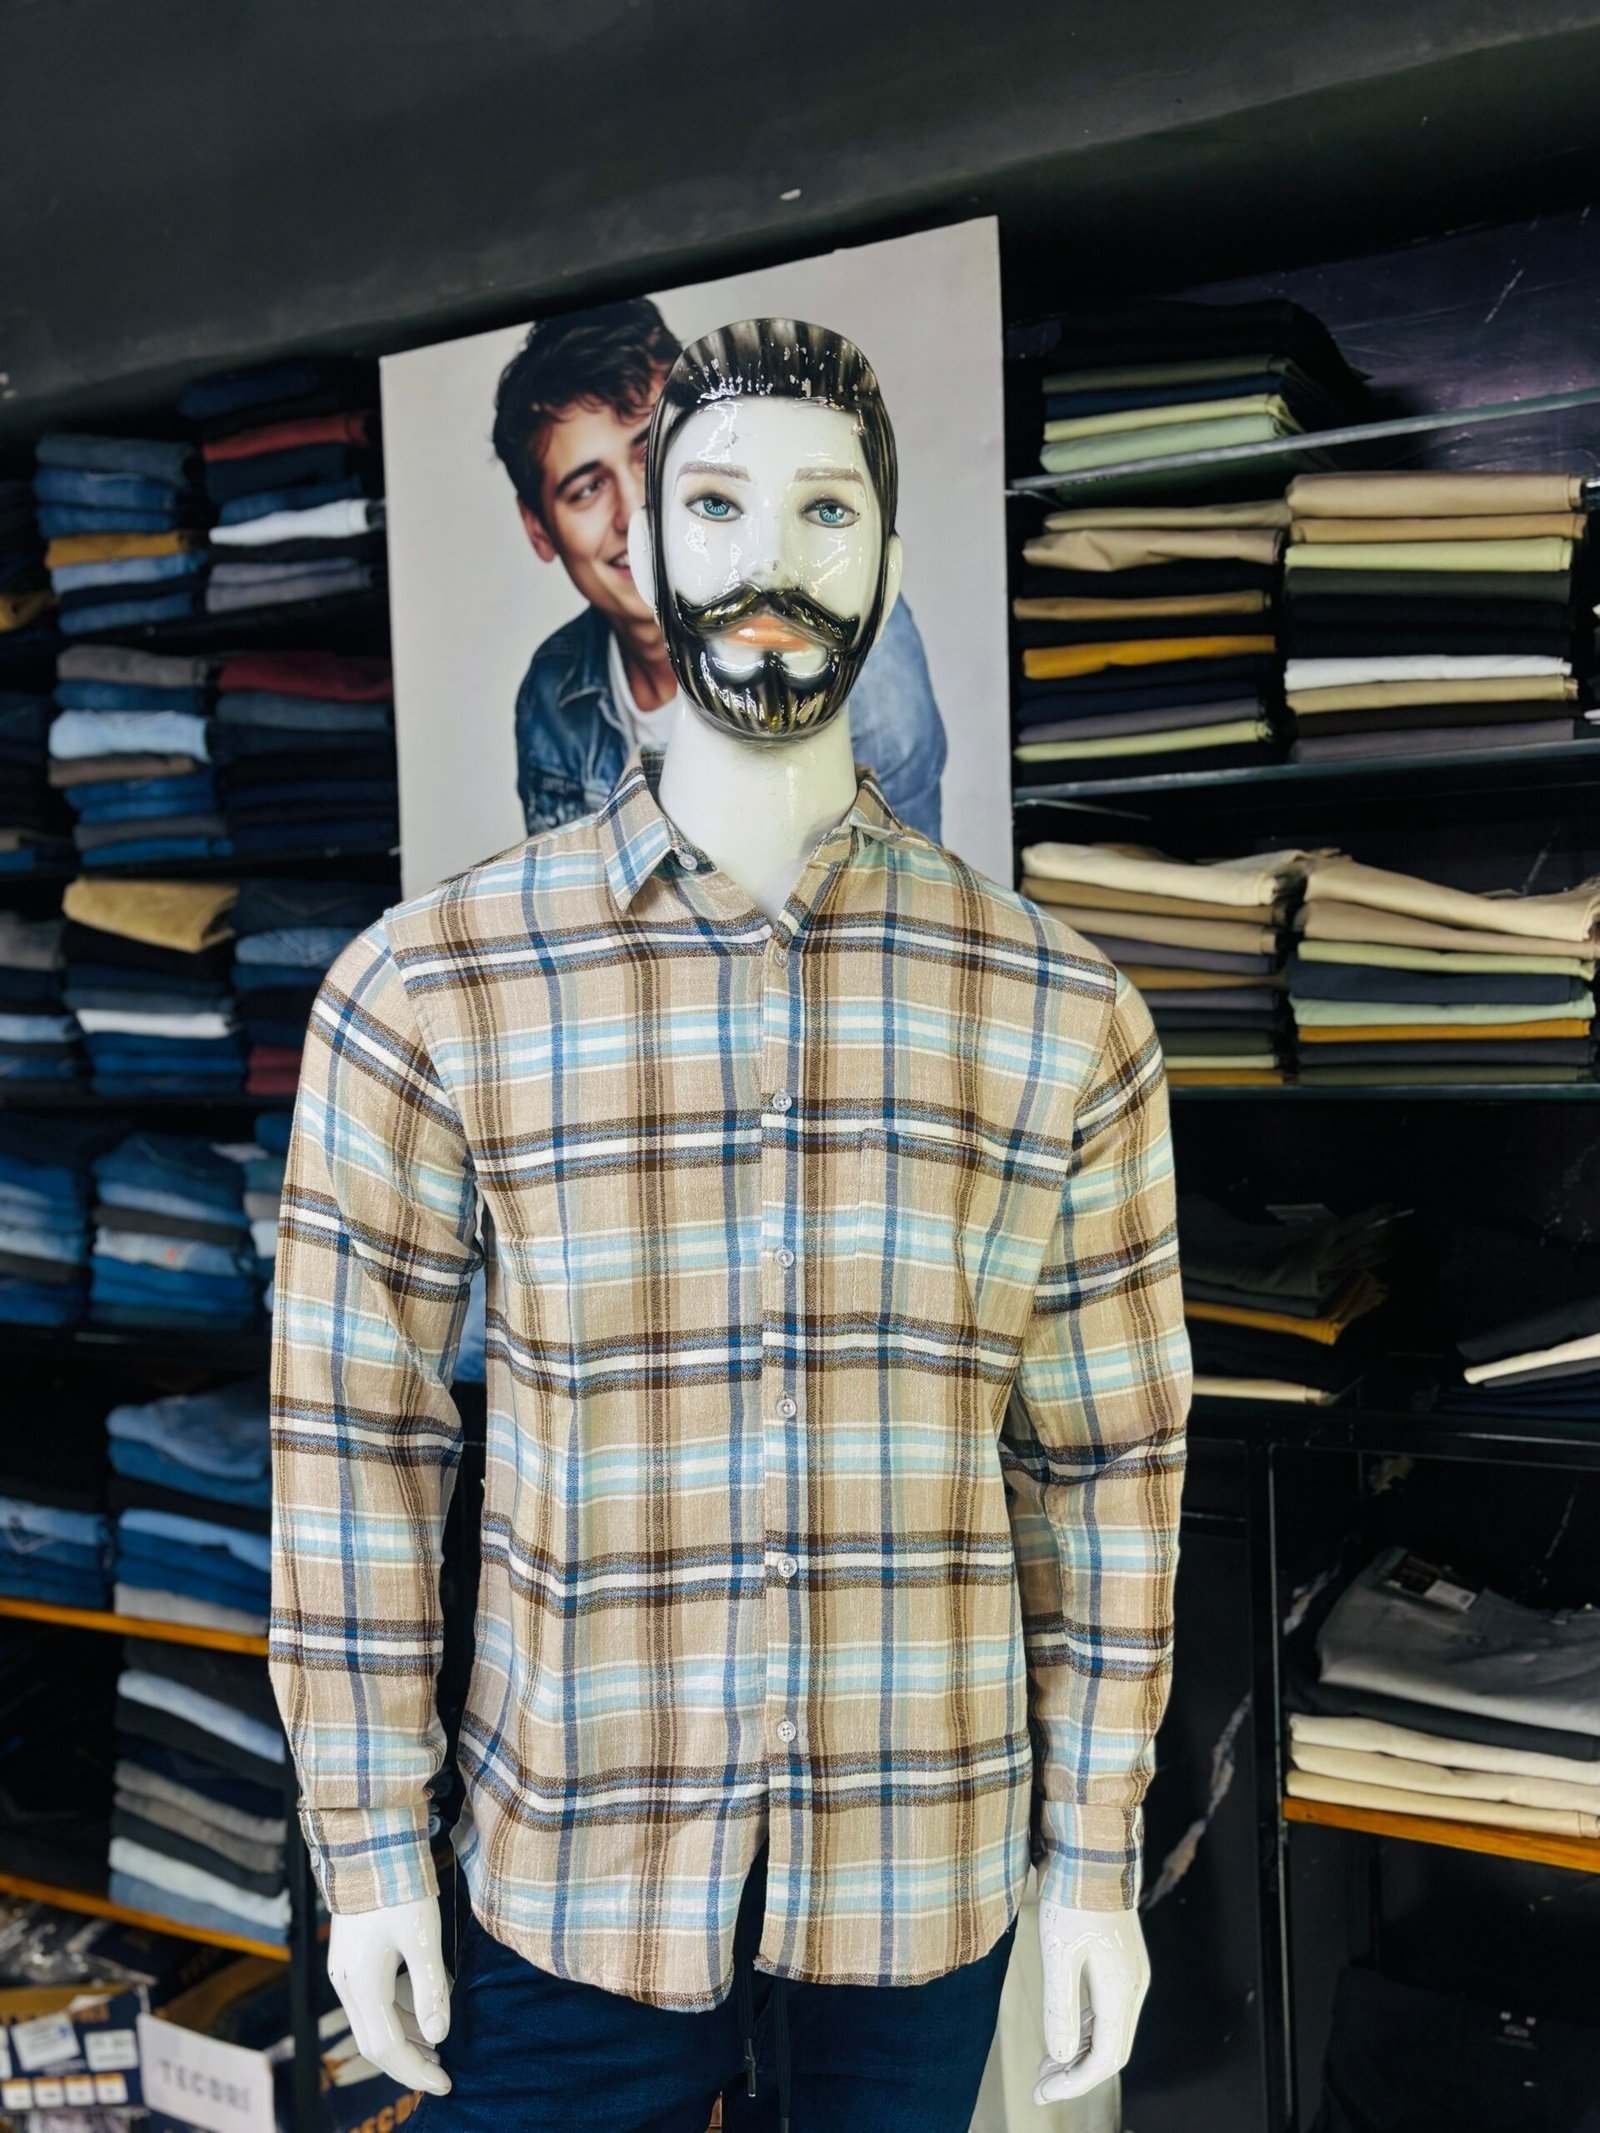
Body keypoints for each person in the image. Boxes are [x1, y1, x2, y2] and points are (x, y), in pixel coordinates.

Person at [490, 298, 948, 837]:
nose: (635, 509)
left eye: (649, 456)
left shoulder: (865, 654)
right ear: (539, 528)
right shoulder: (553, 692)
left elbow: (893, 877)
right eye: (587, 488)